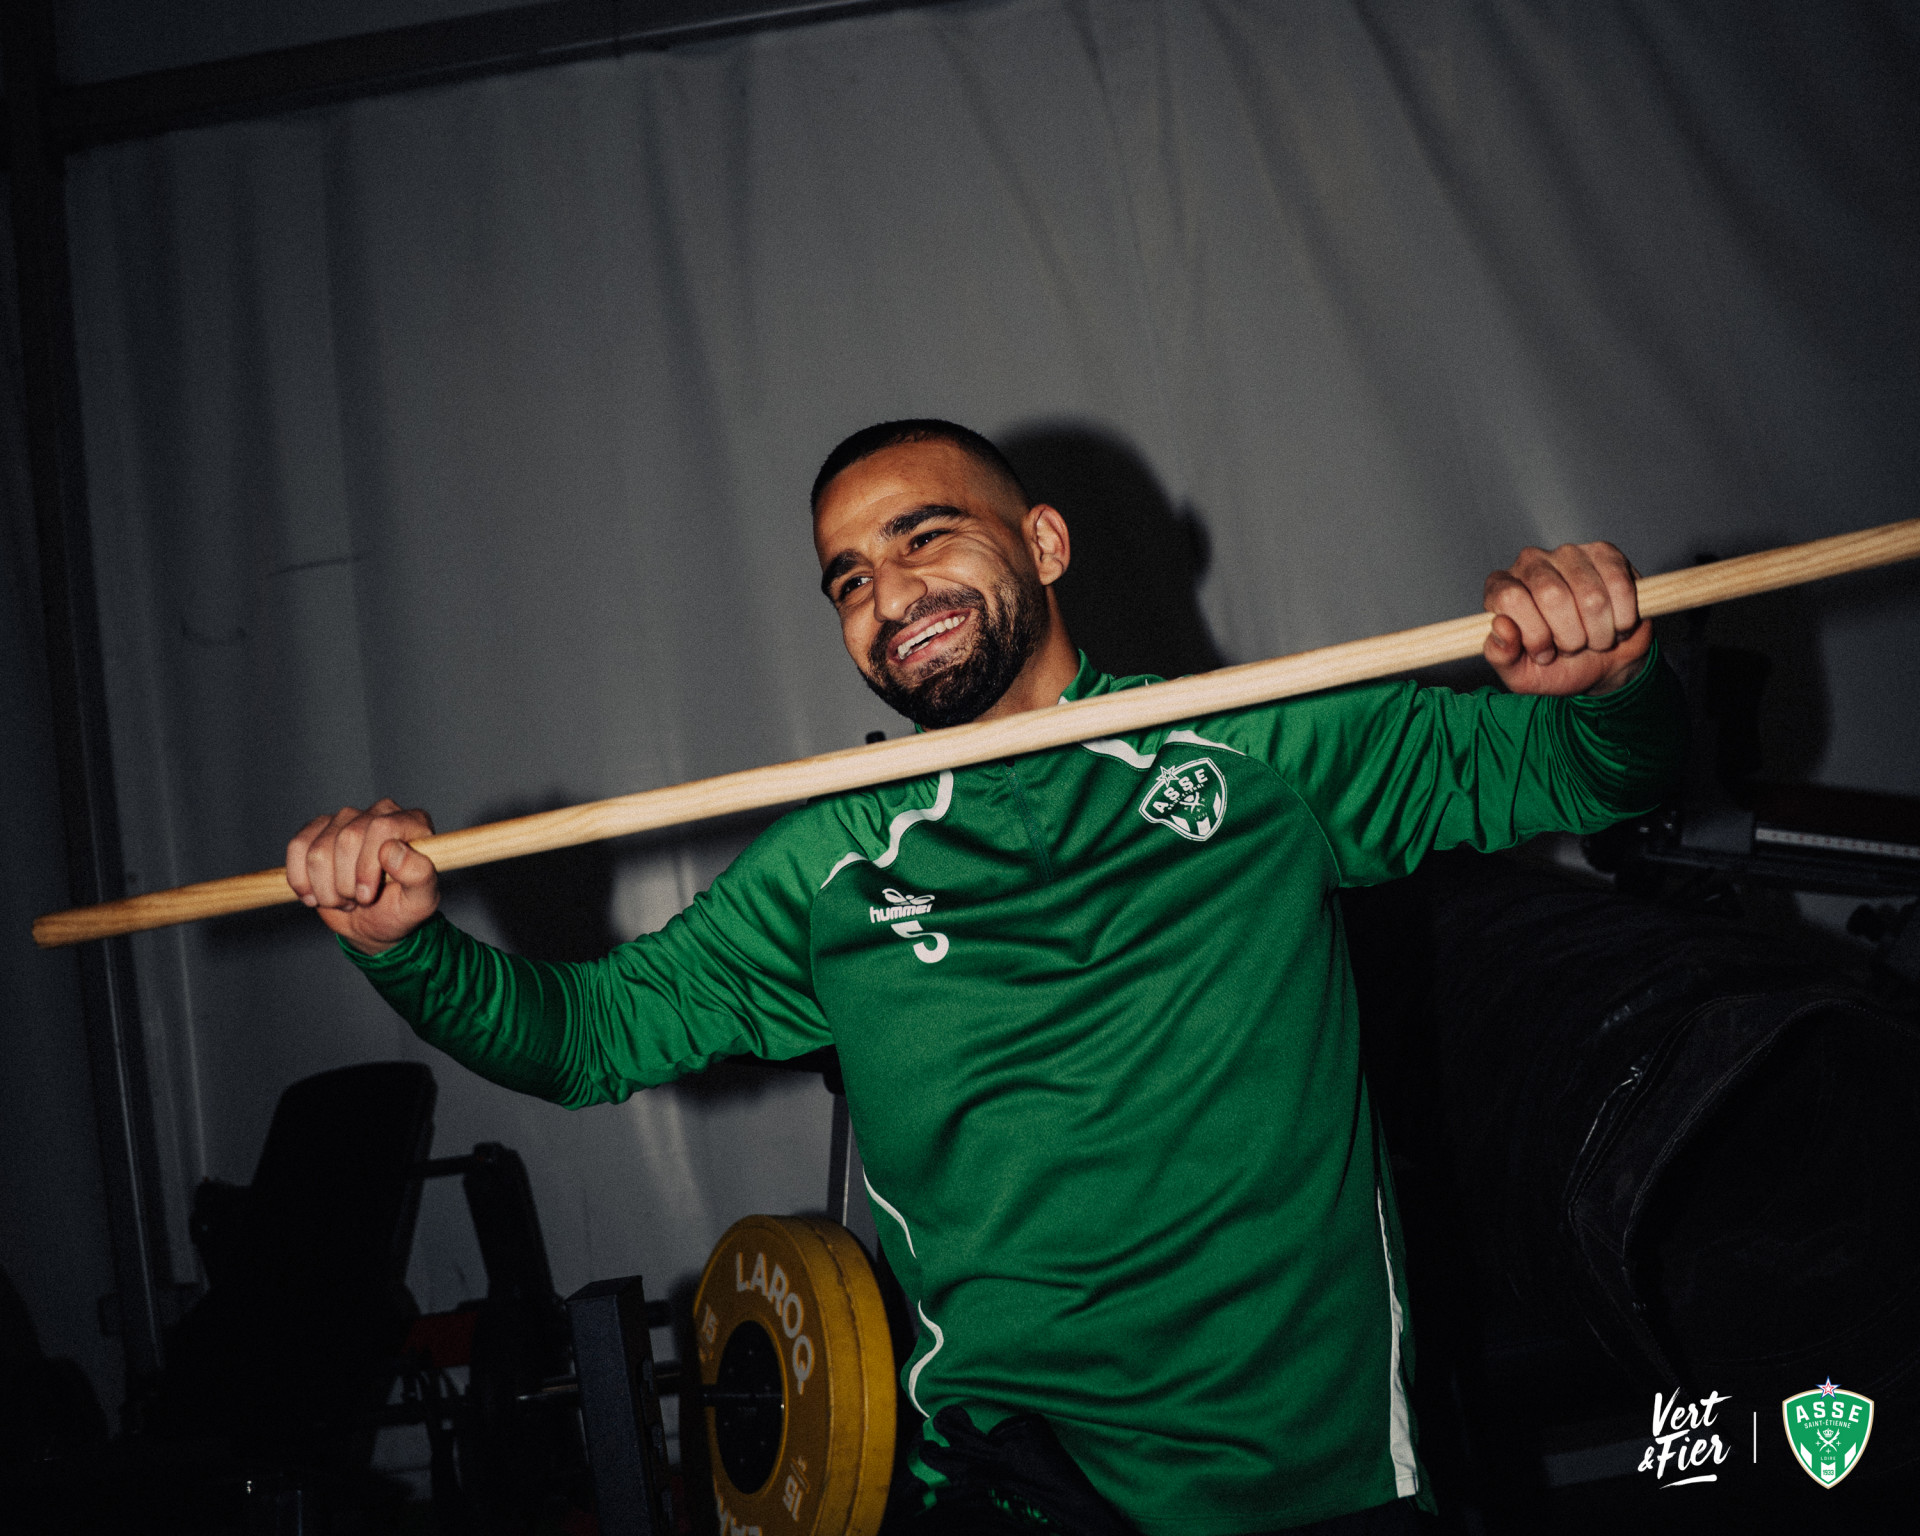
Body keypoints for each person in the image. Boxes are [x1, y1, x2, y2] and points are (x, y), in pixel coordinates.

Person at [288, 420, 1685, 1535]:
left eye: (921, 535)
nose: (885, 592)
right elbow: (584, 1039)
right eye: (846, 576)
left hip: (1314, 1481)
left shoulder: (1266, 754)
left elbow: (1583, 770)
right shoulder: (830, 865)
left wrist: (1610, 679)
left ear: (1046, 541)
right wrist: (404, 946)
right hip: (1012, 1482)